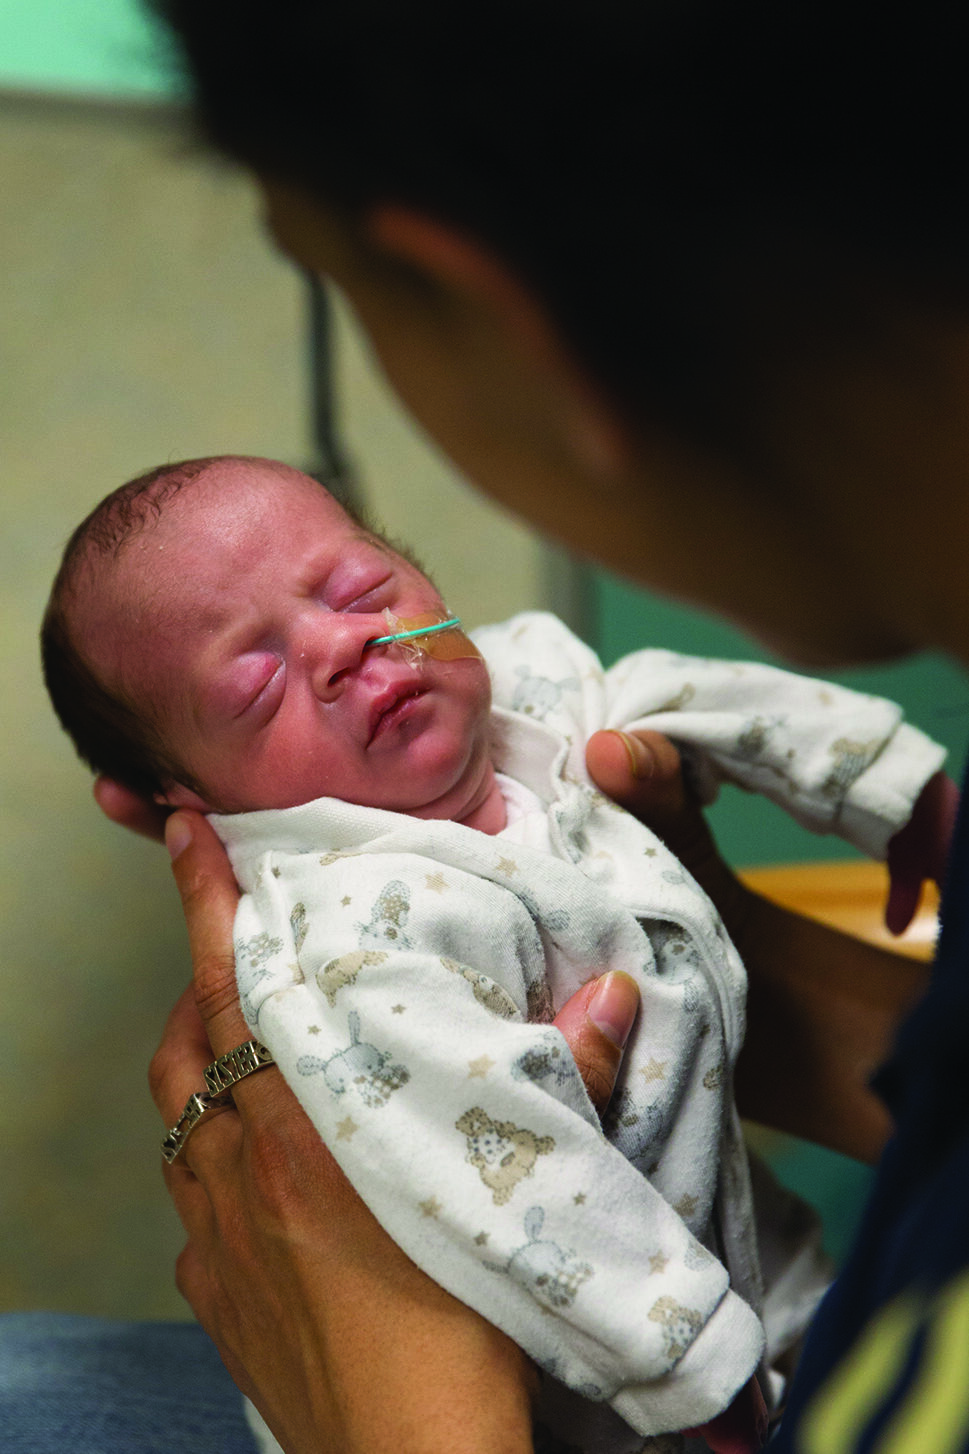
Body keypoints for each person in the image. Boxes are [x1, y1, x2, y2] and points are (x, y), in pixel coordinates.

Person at [42, 452, 950, 1453]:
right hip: (577, 1385)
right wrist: (684, 1360)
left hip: (770, 1276)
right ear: (186, 797)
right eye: (257, 685)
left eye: (361, 589)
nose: (344, 644)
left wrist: (885, 785)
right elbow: (511, 1174)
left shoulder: (530, 685)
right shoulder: (351, 934)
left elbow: (695, 693)